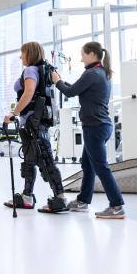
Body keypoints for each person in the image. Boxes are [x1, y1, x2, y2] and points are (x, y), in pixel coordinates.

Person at [51, 41, 125, 219]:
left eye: (83, 54)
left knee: (101, 167)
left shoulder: (91, 73)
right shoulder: (101, 73)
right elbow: (75, 88)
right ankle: (83, 201)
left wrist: (57, 81)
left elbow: (69, 92)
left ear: (92, 54)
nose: (80, 58)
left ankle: (117, 205)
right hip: (100, 126)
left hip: (95, 127)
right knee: (88, 165)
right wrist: (61, 81)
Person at [3, 42, 67, 213]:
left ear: (29, 54)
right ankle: (26, 197)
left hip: (34, 122)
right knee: (30, 161)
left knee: (46, 161)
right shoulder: (44, 70)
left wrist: (14, 113)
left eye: (22, 53)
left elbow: (29, 92)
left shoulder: (31, 70)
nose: (20, 56)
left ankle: (60, 199)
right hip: (36, 122)